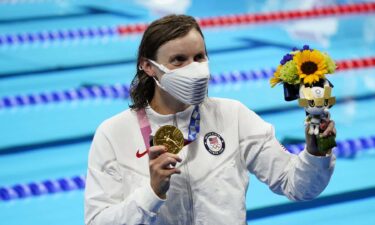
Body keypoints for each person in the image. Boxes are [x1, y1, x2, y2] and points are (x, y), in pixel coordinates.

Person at [84, 14, 336, 225]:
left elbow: (296, 186)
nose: (195, 69)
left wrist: (316, 154)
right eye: (179, 60)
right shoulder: (113, 134)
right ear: (148, 67)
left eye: (199, 57)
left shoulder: (232, 115)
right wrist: (151, 193)